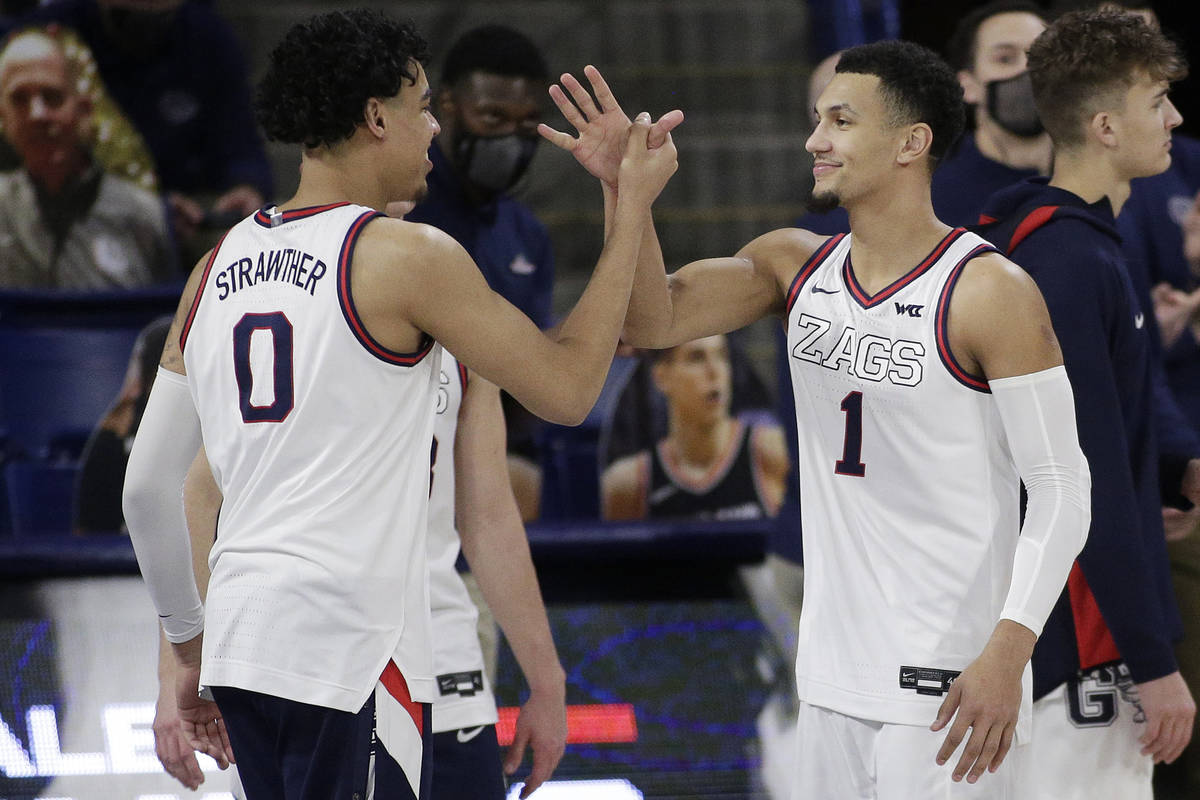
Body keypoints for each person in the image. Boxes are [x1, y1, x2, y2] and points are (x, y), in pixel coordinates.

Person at [121, 8, 679, 799]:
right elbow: (568, 388)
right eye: (422, 108)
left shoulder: (215, 265)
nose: (431, 132)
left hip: (243, 646)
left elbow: (149, 487)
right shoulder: (404, 257)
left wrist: (185, 645)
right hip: (349, 653)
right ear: (375, 116)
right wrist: (628, 206)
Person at [541, 43, 1092, 796]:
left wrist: (1009, 651)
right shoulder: (795, 264)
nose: (815, 140)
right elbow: (653, 318)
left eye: (840, 120)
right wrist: (625, 195)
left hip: (952, 679)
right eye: (815, 119)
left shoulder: (988, 289)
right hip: (832, 675)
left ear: (911, 142)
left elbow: (1062, 486)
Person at [154, 354, 568, 799]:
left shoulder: (469, 324)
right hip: (316, 672)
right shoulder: (299, 303)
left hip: (439, 662)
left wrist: (547, 682)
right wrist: (175, 671)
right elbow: (200, 493)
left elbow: (489, 519)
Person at [976, 10, 1197, 798]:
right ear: (1106, 126)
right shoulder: (1067, 262)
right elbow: (1080, 478)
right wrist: (1153, 660)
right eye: (1156, 102)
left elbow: (1114, 429)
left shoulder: (1076, 239)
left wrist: (1177, 470)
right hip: (1077, 643)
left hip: (1074, 633)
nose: (1173, 119)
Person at [405, 24, 555, 521]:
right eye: (493, 117)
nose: (511, 138)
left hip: (490, 448)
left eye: (527, 122)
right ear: (446, 105)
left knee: (524, 476)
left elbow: (526, 376)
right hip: (401, 442)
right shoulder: (401, 209)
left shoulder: (528, 233)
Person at [12, 0, 274, 250]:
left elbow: (241, 146)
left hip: (187, 214)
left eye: (158, 16)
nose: (143, 26)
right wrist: (147, 210)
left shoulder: (209, 38)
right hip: (72, 205)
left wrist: (246, 187)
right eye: (126, 16)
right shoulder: (45, 36)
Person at [0, 28, 173, 289]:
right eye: (20, 99)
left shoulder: (144, 216)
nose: (37, 114)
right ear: (3, 118)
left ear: (84, 111)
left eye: (52, 97)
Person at [601, 333, 787, 521]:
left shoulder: (774, 452)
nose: (715, 371)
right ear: (661, 377)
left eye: (722, 355)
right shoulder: (628, 484)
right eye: (697, 358)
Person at [73, 315, 172, 534]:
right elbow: (87, 531)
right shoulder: (113, 439)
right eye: (163, 374)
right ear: (145, 378)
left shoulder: (218, 435)